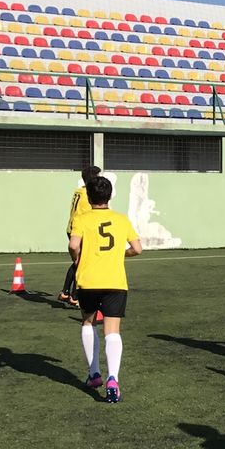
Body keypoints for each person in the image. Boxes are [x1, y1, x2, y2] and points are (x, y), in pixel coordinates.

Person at [69, 176, 142, 403]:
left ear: (88, 196)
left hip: (88, 281)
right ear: (109, 196)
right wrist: (121, 254)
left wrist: (77, 259)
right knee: (113, 330)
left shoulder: (81, 218)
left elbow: (73, 245)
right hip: (115, 282)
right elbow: (137, 249)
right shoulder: (121, 219)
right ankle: (113, 379)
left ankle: (94, 373)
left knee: (88, 323)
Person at [61, 166, 101, 306]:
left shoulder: (78, 191)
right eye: (97, 176)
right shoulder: (88, 196)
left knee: (78, 262)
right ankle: (74, 296)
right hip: (79, 231)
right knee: (82, 263)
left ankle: (65, 292)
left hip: (71, 228)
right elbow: (91, 215)